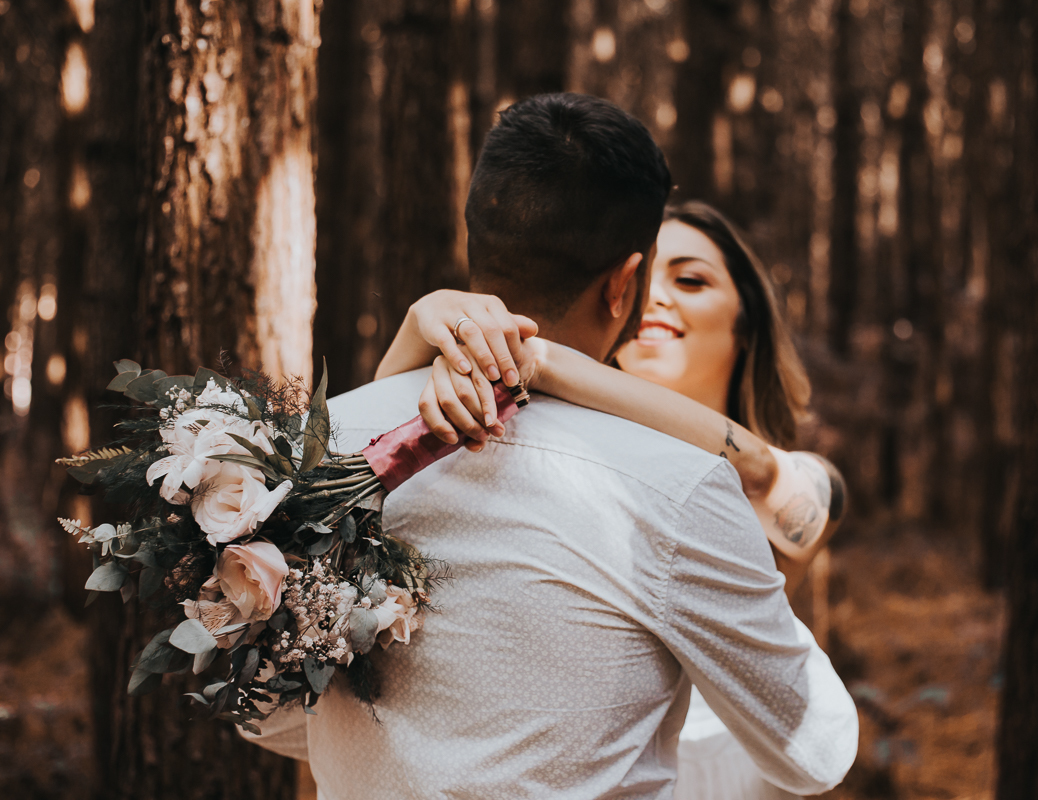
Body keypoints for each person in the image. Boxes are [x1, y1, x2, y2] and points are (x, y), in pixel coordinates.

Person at [245, 93, 858, 798]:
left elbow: (266, 712)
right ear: (625, 285)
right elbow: (817, 752)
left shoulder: (316, 450)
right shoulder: (676, 490)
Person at [377, 201, 849, 800]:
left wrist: (543, 359)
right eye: (645, 279)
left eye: (691, 280)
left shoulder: (802, 483)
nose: (658, 298)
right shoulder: (555, 462)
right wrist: (416, 332)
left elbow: (754, 469)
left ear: (745, 322)